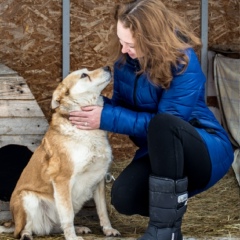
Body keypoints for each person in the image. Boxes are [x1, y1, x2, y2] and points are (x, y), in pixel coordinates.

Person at [69, 0, 234, 239]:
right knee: (123, 197)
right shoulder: (125, 62)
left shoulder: (183, 63)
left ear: (152, 39)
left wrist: (105, 117)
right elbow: (120, 109)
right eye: (121, 41)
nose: (124, 49)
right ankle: (173, 205)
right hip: (159, 152)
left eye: (131, 44)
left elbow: (165, 122)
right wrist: (90, 105)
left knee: (163, 123)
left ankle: (165, 231)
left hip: (203, 148)